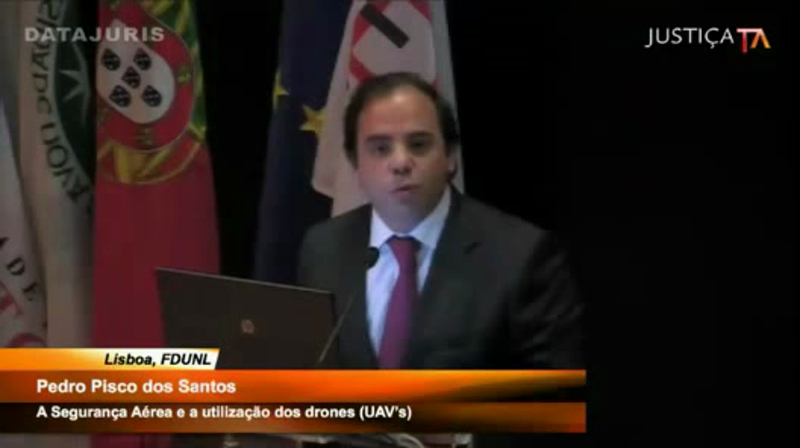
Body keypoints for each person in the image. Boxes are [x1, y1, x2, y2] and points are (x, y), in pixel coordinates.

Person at [298, 71, 583, 372]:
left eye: (418, 145)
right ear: (356, 164)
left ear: (450, 156)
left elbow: (556, 394)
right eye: (380, 149)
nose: (401, 163)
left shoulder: (521, 256)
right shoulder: (323, 249)